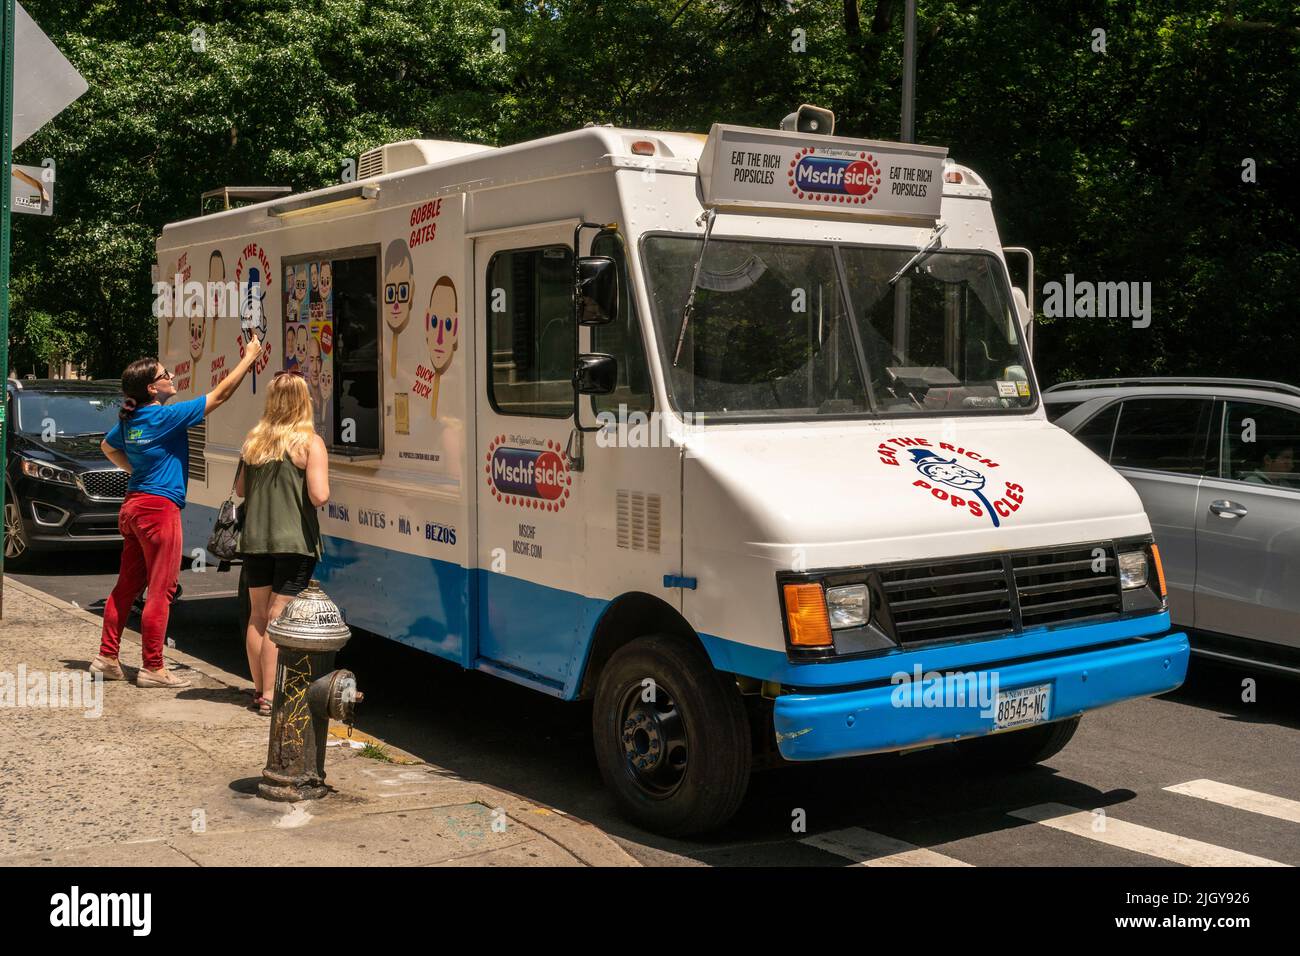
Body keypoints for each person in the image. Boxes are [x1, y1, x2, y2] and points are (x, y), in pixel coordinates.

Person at [93, 332, 262, 687]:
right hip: (159, 511)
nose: (171, 377)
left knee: (126, 587)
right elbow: (221, 395)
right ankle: (153, 667)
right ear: (152, 389)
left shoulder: (130, 420)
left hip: (133, 507)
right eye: (164, 374)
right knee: (161, 590)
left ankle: (106, 657)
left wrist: (136, 471)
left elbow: (107, 447)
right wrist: (249, 357)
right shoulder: (164, 417)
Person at [235, 370, 329, 715]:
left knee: (258, 616)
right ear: (304, 401)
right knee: (278, 618)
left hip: (256, 540)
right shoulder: (309, 443)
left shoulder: (254, 441)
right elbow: (319, 496)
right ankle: (271, 697)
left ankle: (259, 689)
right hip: (294, 542)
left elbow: (241, 490)